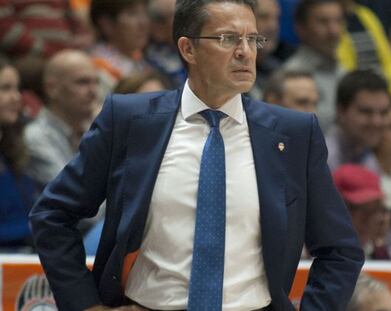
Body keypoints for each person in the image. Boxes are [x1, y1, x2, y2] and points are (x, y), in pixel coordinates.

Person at [29, 1, 364, 310]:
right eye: (228, 38)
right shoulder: (129, 120)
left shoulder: (294, 134)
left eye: (253, 39)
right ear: (188, 48)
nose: (245, 52)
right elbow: (53, 214)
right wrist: (86, 305)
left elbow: (340, 250)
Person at [24, 49, 98, 190]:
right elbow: (71, 192)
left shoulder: (94, 129)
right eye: (82, 82)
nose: (93, 92)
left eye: (96, 82)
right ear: (52, 88)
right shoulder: (36, 137)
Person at [283, 0, 346, 131]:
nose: (333, 31)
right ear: (300, 28)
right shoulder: (290, 77)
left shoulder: (343, 71)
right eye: (323, 22)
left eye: (338, 21)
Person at [0, 57, 36, 252]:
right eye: (5, 89)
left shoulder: (12, 147)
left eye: (17, 89)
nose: (16, 97)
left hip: (27, 254)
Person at [325, 69, 391, 172]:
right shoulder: (322, 160)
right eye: (366, 112)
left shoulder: (368, 159)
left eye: (383, 113)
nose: (377, 122)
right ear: (341, 111)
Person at [333, 164, 391, 259]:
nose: (377, 219)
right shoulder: (311, 254)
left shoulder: (377, 252)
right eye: (363, 211)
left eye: (378, 209)